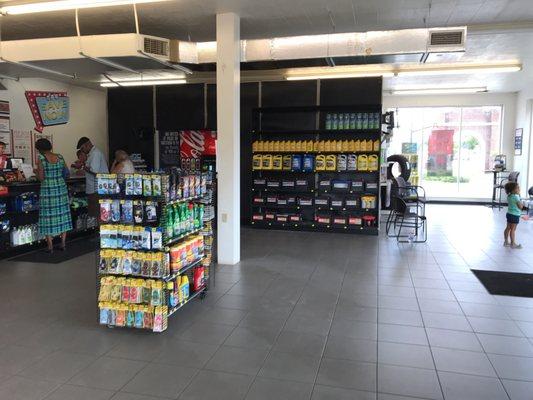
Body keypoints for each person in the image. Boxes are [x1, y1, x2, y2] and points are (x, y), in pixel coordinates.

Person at [35, 138, 72, 253]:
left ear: (40, 149)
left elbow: (41, 178)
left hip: (48, 190)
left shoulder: (41, 158)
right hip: (61, 189)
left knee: (48, 216)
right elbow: (67, 173)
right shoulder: (60, 157)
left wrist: (36, 172)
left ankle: (50, 247)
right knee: (62, 215)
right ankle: (63, 244)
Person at [77, 137, 108, 219]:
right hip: (94, 188)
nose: (83, 151)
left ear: (87, 144)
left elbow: (95, 171)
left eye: (83, 148)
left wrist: (84, 166)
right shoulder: (92, 154)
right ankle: (97, 229)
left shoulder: (95, 153)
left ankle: (99, 230)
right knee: (94, 213)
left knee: (98, 213)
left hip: (97, 189)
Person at [504, 181, 524, 249]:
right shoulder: (516, 197)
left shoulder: (509, 196)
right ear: (512, 190)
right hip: (515, 215)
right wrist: (521, 203)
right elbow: (520, 207)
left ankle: (506, 241)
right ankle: (513, 243)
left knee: (508, 228)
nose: (519, 189)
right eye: (517, 188)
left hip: (509, 214)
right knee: (513, 229)